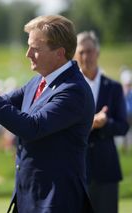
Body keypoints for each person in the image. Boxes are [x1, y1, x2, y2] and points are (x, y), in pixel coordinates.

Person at [0, 15, 95, 213]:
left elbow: (32, 127)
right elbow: (2, 107)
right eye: (28, 46)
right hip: (29, 199)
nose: (28, 54)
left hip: (57, 201)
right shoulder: (38, 81)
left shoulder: (73, 90)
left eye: (36, 48)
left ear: (59, 53)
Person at [74, 31, 129, 213]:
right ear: (75, 55)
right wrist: (90, 123)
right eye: (81, 52)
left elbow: (123, 126)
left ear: (97, 53)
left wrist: (105, 123)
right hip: (76, 171)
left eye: (89, 51)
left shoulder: (112, 87)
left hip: (106, 171)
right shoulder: (69, 88)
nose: (85, 56)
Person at [120, 68, 132, 153]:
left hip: (130, 114)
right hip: (125, 114)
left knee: (128, 132)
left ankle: (126, 148)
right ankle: (125, 148)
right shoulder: (122, 92)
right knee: (125, 132)